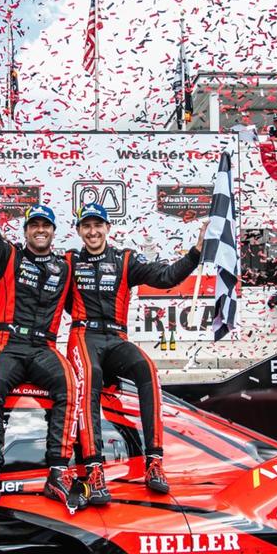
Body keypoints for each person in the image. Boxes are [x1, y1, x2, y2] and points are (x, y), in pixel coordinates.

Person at [0, 134, 80, 517]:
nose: (40, 231)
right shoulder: (7, 256)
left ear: (52, 231)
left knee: (70, 384)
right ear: (27, 230)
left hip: (45, 348)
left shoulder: (65, 268)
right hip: (9, 343)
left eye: (46, 226)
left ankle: (58, 474)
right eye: (34, 225)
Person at [67, 205, 203, 502]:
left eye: (97, 225)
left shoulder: (125, 259)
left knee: (147, 369)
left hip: (116, 336)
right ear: (78, 230)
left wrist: (196, 253)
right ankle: (93, 468)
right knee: (90, 376)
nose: (92, 231)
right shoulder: (69, 261)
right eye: (86, 226)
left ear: (107, 228)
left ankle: (153, 462)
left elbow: (166, 277)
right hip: (82, 334)